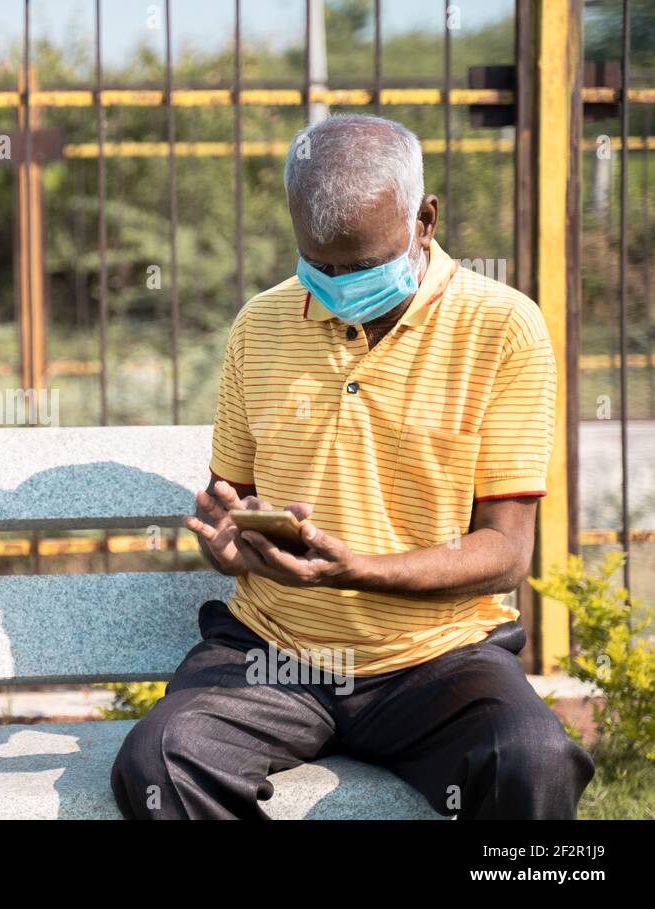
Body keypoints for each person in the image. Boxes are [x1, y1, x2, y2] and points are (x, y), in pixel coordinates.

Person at [110, 114, 594, 820]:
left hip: (438, 658)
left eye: (361, 265)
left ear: (425, 220)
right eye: (319, 263)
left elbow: (505, 552)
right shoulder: (261, 325)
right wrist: (225, 546)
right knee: (162, 760)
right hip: (276, 653)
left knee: (531, 758)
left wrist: (356, 569)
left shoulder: (502, 328)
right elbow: (232, 501)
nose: (336, 283)